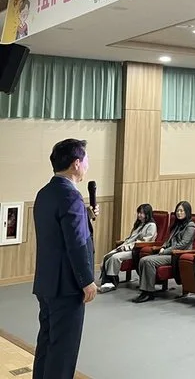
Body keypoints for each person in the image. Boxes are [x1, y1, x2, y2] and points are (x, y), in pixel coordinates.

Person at [33, 139, 96, 379]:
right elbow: (76, 242)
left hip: (47, 281)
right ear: (76, 163)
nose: (87, 163)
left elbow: (57, 233)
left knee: (47, 344)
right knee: (63, 351)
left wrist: (85, 215)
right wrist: (86, 279)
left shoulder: (45, 193)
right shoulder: (71, 196)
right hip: (67, 285)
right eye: (86, 159)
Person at [134, 201, 195, 303]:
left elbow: (183, 244)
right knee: (143, 260)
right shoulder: (176, 224)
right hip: (169, 252)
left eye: (182, 211)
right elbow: (168, 240)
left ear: (187, 212)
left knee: (149, 261)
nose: (179, 213)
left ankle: (149, 292)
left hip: (178, 254)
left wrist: (166, 251)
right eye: (177, 211)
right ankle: (144, 291)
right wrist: (163, 247)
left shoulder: (190, 225)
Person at [98, 203, 157, 293]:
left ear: (147, 214)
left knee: (115, 258)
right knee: (106, 256)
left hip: (136, 250)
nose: (139, 215)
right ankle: (106, 282)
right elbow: (130, 238)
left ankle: (112, 282)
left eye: (141, 213)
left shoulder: (151, 226)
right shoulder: (139, 224)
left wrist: (126, 247)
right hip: (126, 246)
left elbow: (144, 241)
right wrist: (123, 246)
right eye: (138, 212)